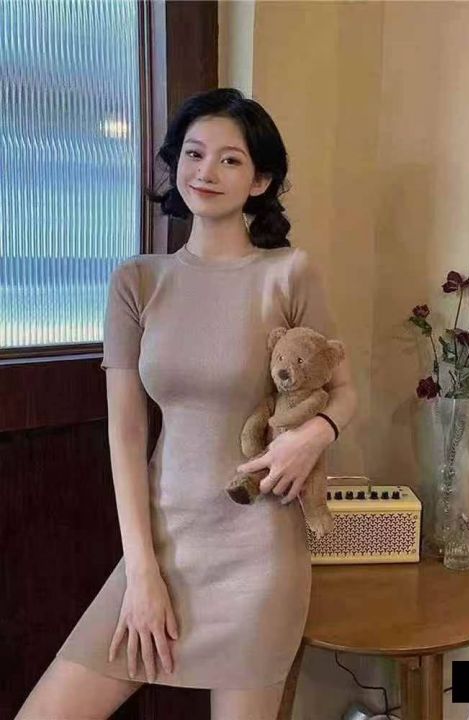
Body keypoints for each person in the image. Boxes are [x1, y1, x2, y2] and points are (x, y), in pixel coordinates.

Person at [15, 87, 358, 720]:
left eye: (231, 159)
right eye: (194, 154)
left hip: (260, 553)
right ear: (175, 164)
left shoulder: (289, 273)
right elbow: (125, 433)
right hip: (163, 544)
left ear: (260, 181)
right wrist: (141, 572)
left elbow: (343, 388)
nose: (207, 171)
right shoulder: (137, 281)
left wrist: (316, 434)